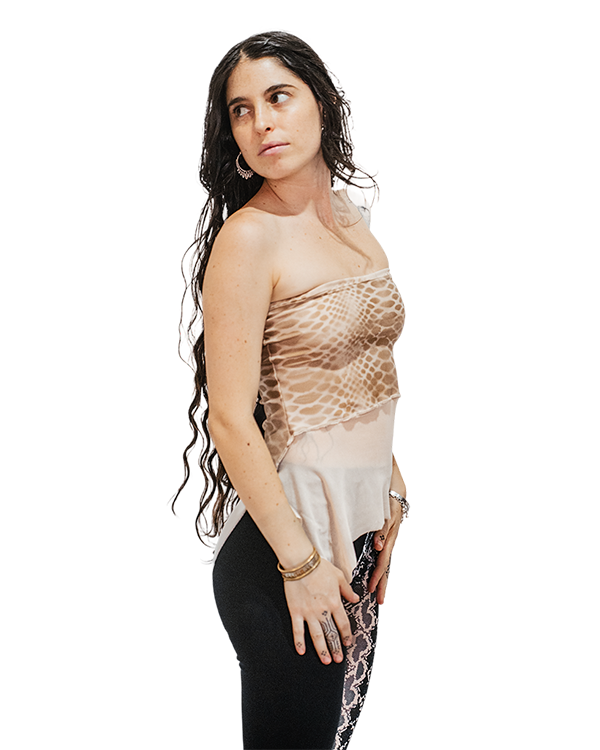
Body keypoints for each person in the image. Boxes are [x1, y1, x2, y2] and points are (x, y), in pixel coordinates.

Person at [173, 28, 409, 750]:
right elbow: (229, 419)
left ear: (323, 103)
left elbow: (370, 369)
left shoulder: (354, 212)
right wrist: (300, 564)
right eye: (241, 110)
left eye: (278, 97)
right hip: (284, 540)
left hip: (354, 522)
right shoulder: (250, 238)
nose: (261, 123)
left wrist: (391, 488)